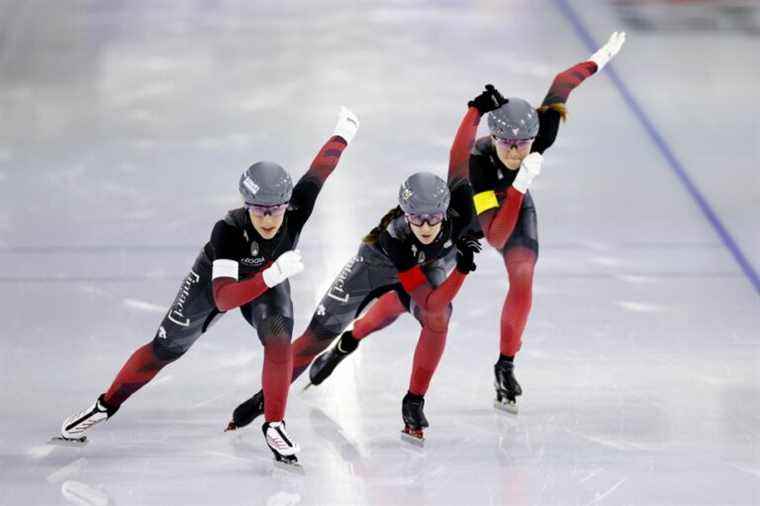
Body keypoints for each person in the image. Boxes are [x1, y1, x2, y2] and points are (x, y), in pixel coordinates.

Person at [54, 107, 360, 466]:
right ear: (246, 206)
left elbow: (321, 168)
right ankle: (104, 406)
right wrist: (272, 275)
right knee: (164, 350)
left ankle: (274, 425)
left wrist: (343, 133)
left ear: (287, 204)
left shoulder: (297, 208)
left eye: (274, 209)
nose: (267, 218)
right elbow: (223, 298)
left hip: (266, 278)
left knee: (279, 340)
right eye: (258, 210)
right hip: (216, 282)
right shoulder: (228, 230)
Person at [227, 86, 506, 442]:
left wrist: (474, 110)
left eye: (432, 219)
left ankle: (413, 401)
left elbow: (458, 155)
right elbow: (426, 296)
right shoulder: (395, 236)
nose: (424, 227)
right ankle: (265, 396)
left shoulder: (461, 207)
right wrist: (464, 269)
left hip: (430, 266)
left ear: (445, 211)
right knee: (316, 337)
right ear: (404, 214)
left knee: (439, 318)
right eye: (415, 219)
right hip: (375, 263)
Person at [469, 32, 627, 413]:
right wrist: (520, 183)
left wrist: (599, 58)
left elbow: (562, 83)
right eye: (505, 142)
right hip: (473, 210)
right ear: (493, 136)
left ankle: (505, 366)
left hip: (515, 205)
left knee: (522, 279)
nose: (514, 150)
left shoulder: (544, 131)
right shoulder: (479, 160)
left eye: (523, 143)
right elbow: (493, 236)